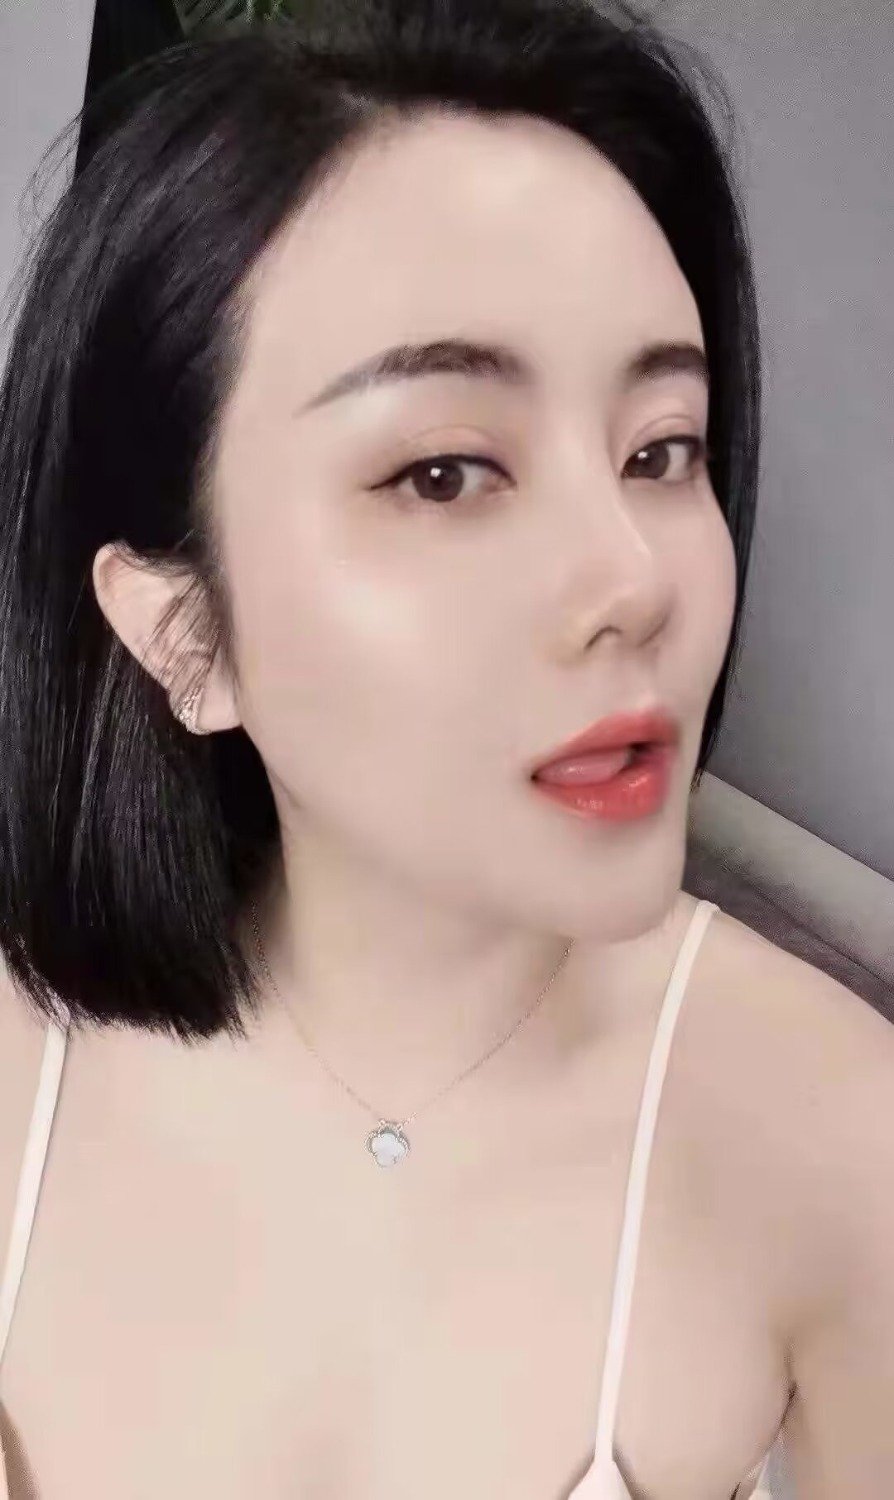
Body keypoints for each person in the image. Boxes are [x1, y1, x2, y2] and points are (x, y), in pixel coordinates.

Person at [0, 1, 891, 1495]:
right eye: (444, 472)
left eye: (659, 450)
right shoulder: (18, 1062)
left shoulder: (838, 1137)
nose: (637, 581)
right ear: (184, 634)